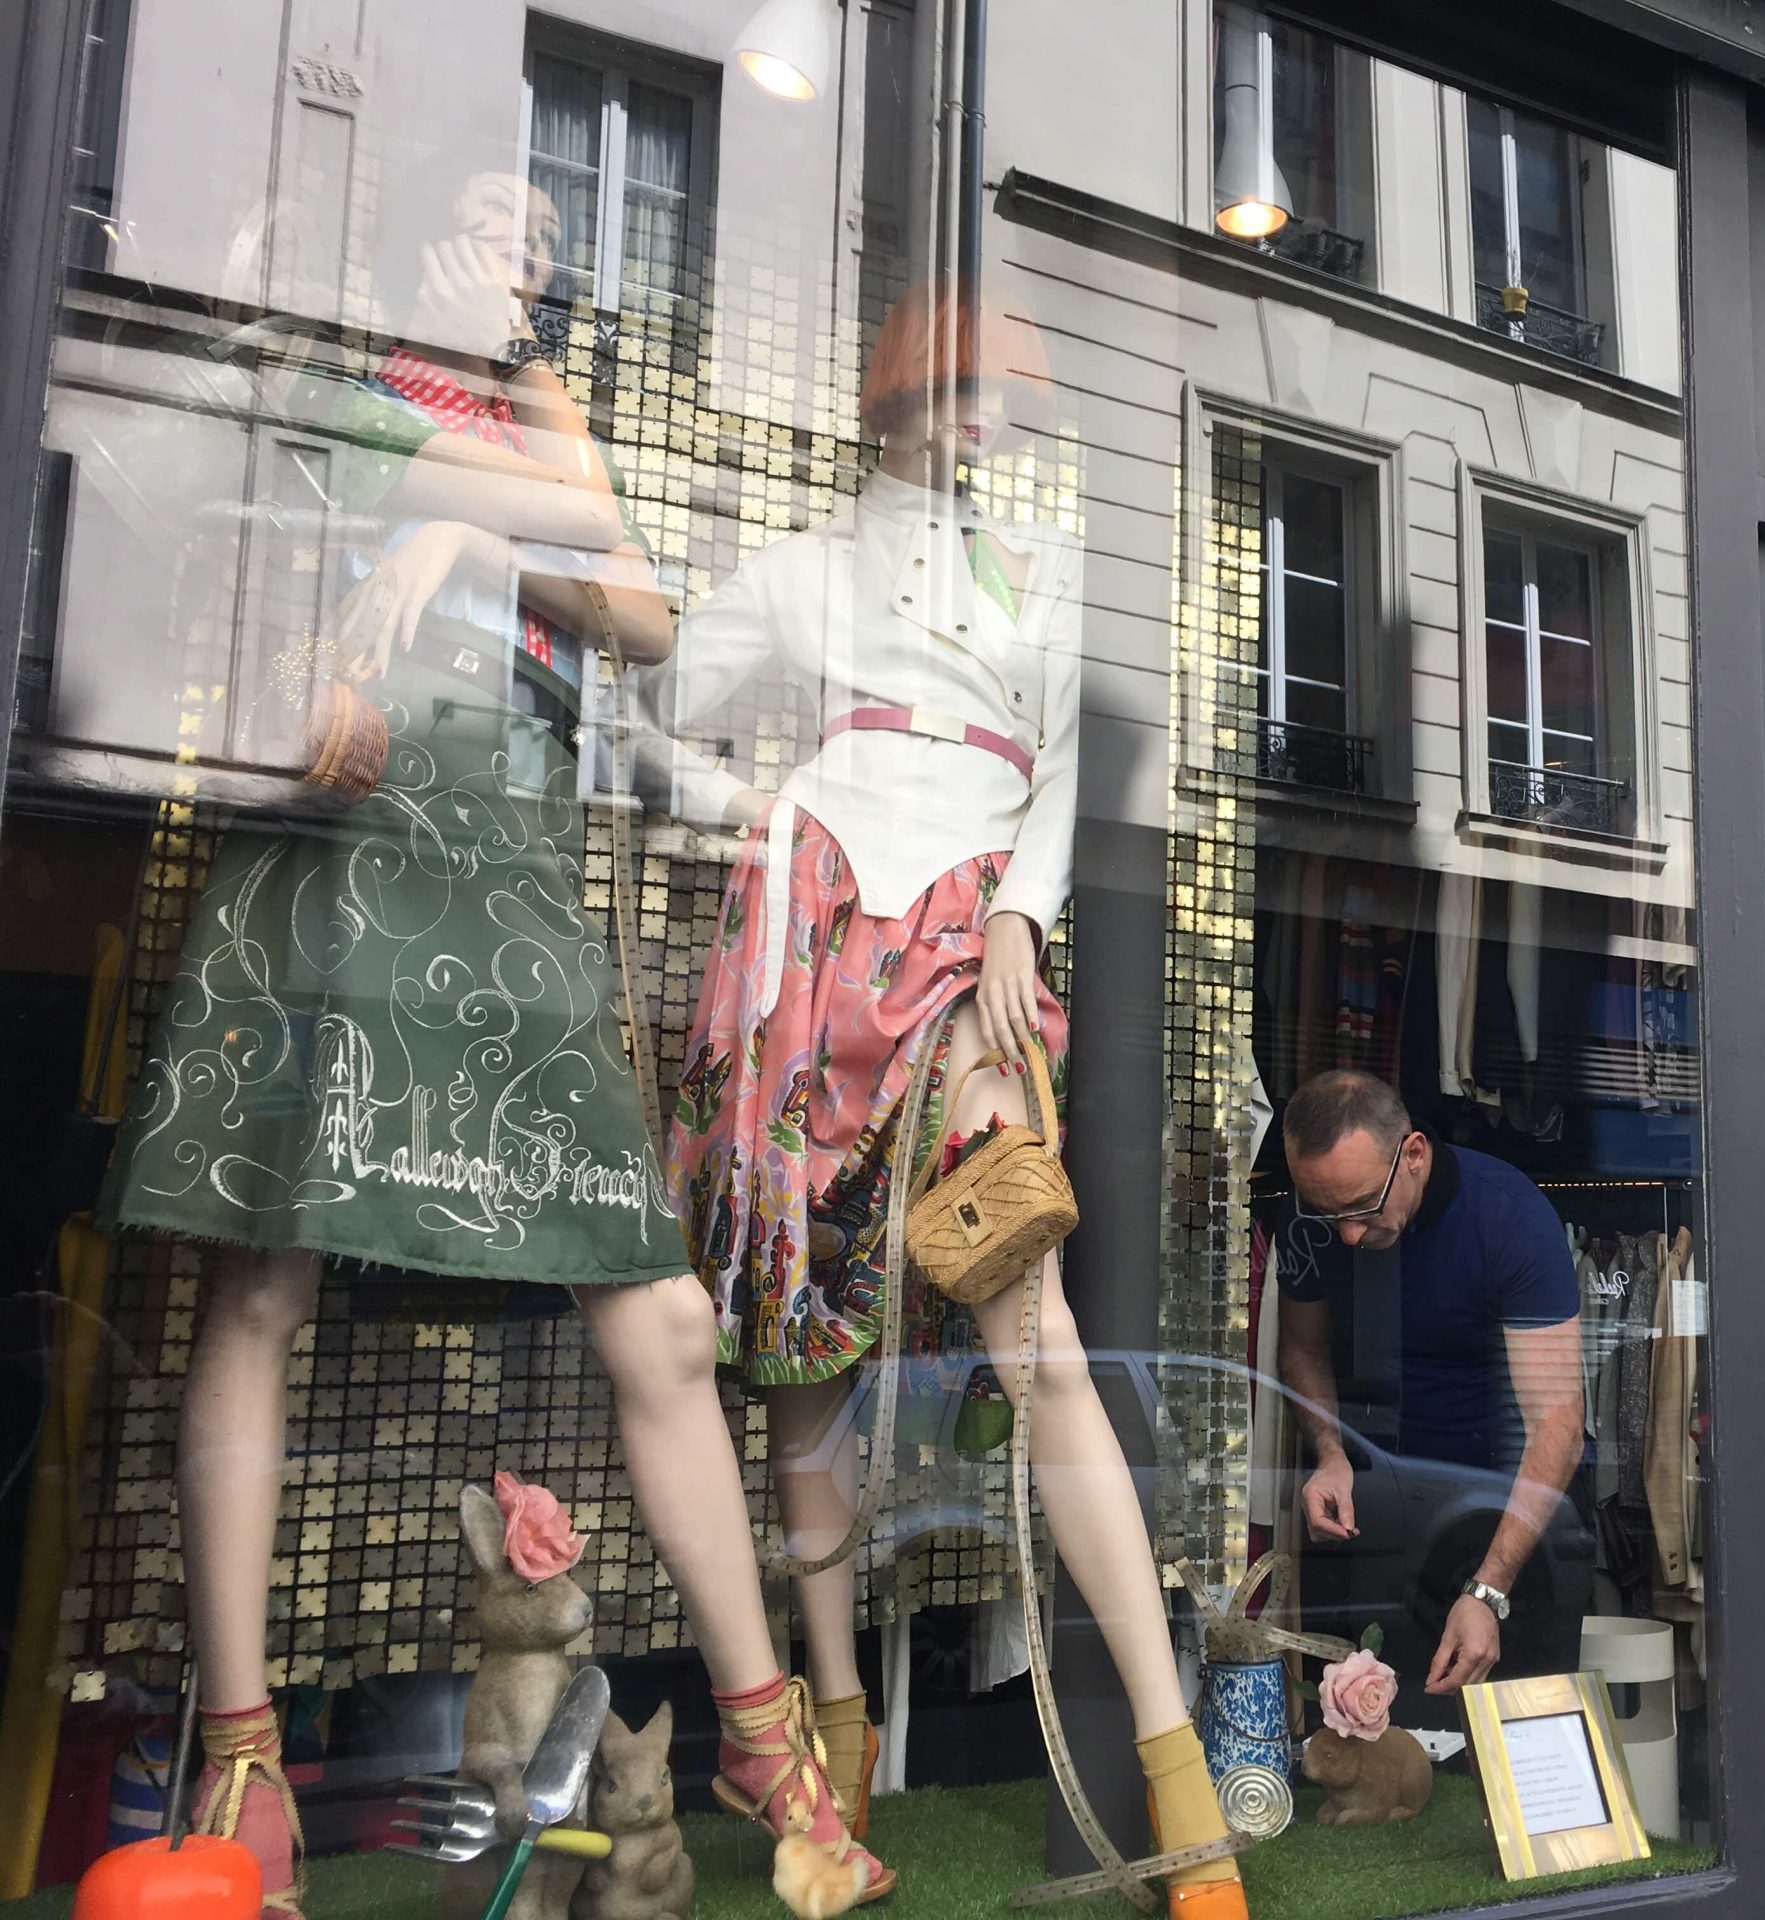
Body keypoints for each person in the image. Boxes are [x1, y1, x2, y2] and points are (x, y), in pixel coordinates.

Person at [101, 174, 879, 1920]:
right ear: (407, 234)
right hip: (357, 827)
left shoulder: (488, 402)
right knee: (257, 1284)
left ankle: (763, 1736)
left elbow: (656, 617)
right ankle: (246, 1765)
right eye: (488, 216)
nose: (521, 248)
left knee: (664, 1309)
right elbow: (589, 540)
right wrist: (505, 494)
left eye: (541, 237)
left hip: (506, 858)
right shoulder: (336, 376)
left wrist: (471, 525)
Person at [639, 276, 1248, 1918]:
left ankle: (1177, 1778)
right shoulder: (804, 564)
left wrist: (1021, 912)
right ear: (902, 393)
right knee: (799, 1349)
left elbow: (1063, 758)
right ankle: (824, 1748)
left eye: (1005, 397)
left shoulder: (1046, 569)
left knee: (1031, 1325)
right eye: (967, 389)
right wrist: (752, 816)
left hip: (970, 938)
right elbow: (660, 704)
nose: (989, 422)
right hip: (819, 930)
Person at [1276, 1070, 1588, 1721]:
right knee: (1375, 1742)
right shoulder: (1312, 1220)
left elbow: (1557, 1426)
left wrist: (1490, 1589)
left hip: (1503, 1510)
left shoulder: (1508, 1215)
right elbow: (1302, 1348)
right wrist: (1329, 1453)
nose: (1350, 1235)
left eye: (1362, 1206)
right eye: (1329, 1212)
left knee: (1507, 1747)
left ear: (1413, 1154)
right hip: (1375, 1501)